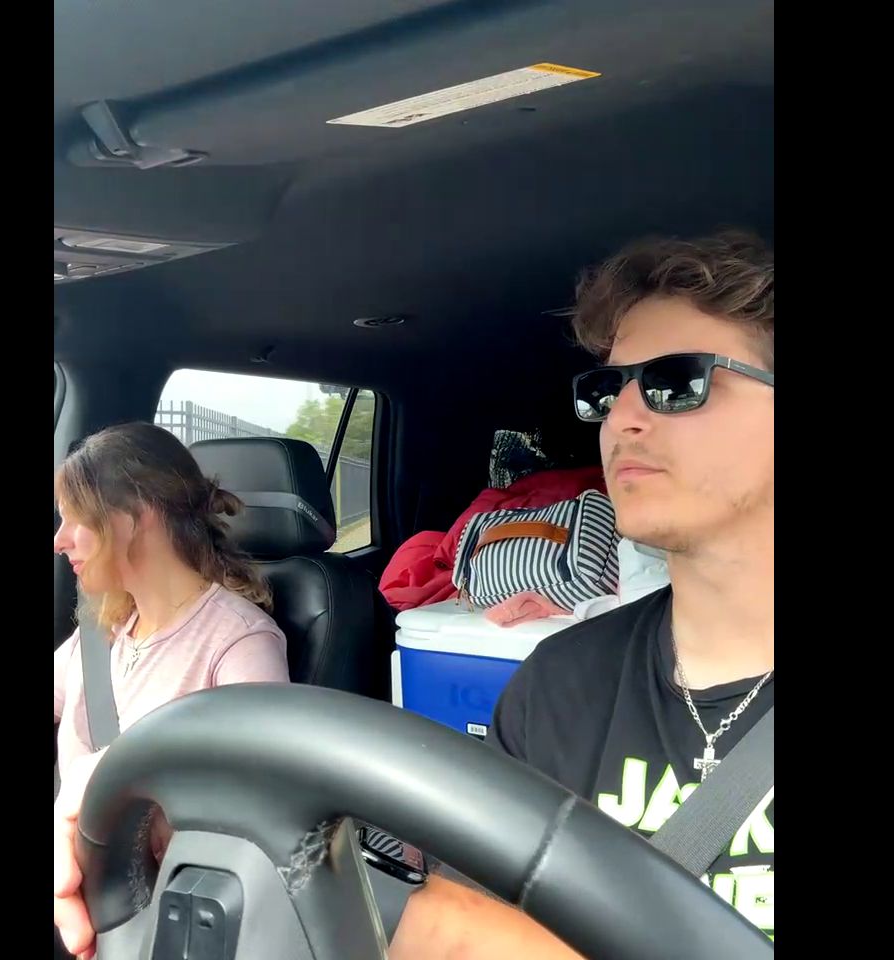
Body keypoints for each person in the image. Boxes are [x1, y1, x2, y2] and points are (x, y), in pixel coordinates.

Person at [56, 230, 775, 959]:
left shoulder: (239, 630)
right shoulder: (558, 683)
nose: (621, 417)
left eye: (677, 382)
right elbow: (462, 935)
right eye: (607, 391)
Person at [54, 422, 289, 959]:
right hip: (74, 882)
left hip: (154, 913)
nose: (59, 540)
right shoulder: (102, 632)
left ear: (133, 518)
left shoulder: (237, 640)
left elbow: (260, 787)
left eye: (75, 519)